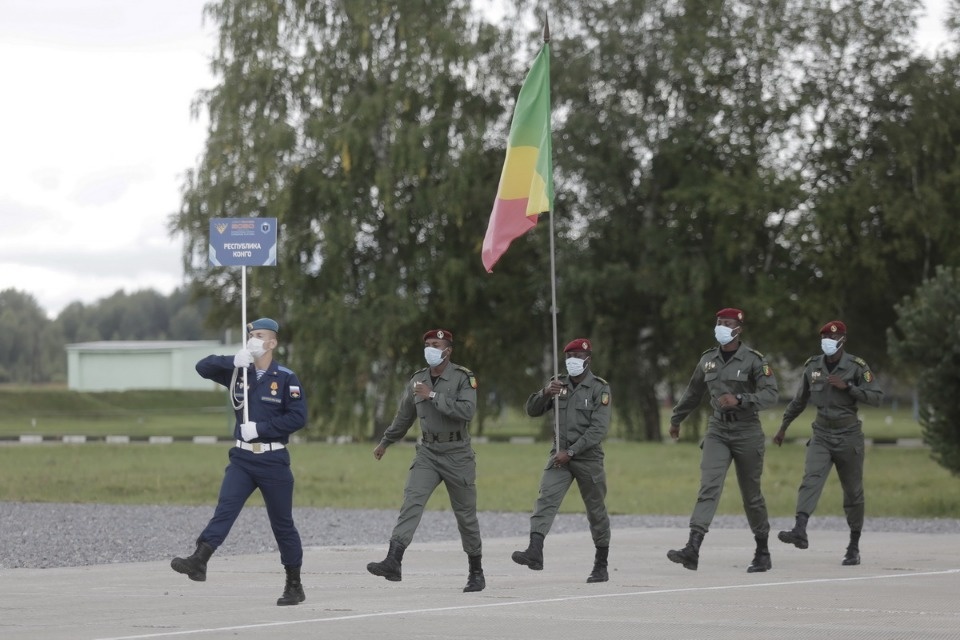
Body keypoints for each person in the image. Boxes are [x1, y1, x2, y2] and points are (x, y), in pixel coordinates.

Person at [170, 317, 308, 606]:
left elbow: (298, 417)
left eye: (259, 336)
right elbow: (202, 367)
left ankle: (294, 584)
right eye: (251, 335)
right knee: (225, 509)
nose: (253, 340)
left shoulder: (285, 377)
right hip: (242, 458)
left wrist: (260, 429)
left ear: (272, 343)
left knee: (282, 525)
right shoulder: (238, 371)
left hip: (272, 459)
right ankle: (199, 560)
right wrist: (233, 359)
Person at [366, 329, 485, 592]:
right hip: (428, 453)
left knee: (465, 515)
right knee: (412, 502)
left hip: (458, 454)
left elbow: (467, 411)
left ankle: (476, 571)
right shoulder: (417, 379)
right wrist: (386, 441)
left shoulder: (463, 378)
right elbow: (404, 417)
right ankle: (393, 561)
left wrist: (432, 396)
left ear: (447, 350)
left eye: (436, 344)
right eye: (428, 344)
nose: (430, 348)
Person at [668, 308, 779, 573]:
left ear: (738, 328)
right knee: (709, 487)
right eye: (719, 323)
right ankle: (692, 548)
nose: (721, 327)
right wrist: (676, 418)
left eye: (727, 324)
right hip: (717, 430)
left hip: (747, 431)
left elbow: (771, 394)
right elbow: (693, 392)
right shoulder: (708, 359)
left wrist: (741, 399)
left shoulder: (754, 360)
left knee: (751, 496)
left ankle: (762, 550)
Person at [774, 320, 883, 566]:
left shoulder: (857, 366)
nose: (828, 342)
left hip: (848, 436)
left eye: (832, 338)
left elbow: (877, 397)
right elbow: (799, 400)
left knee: (853, 493)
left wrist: (849, 388)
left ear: (843, 340)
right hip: (821, 433)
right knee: (810, 479)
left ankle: (853, 546)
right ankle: (799, 530)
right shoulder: (813, 366)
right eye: (824, 337)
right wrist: (783, 426)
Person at [512, 338, 613, 583]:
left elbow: (598, 429)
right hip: (560, 455)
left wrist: (573, 452)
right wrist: (545, 393)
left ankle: (601, 565)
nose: (573, 362)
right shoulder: (558, 383)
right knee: (545, 498)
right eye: (569, 357)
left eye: (578, 357)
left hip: (587, 457)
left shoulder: (600, 388)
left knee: (596, 511)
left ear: (588, 360)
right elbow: (532, 410)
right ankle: (535, 551)